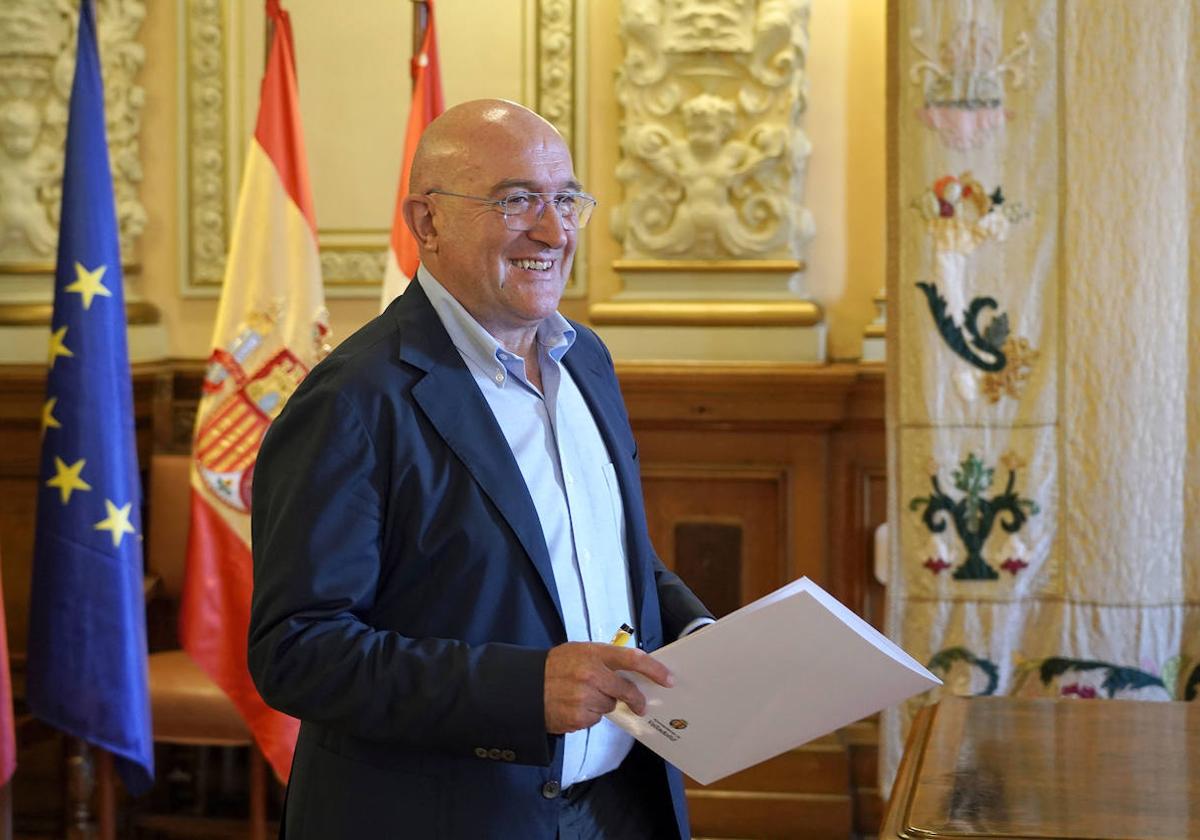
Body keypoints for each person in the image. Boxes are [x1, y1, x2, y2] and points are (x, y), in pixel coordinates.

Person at [248, 99, 713, 839]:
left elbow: (602, 552)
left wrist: (698, 636)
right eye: (516, 200)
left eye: (565, 200)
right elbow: (297, 650)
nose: (554, 231)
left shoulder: (585, 359)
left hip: (622, 809)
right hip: (449, 817)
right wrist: (523, 691)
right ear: (427, 222)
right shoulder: (354, 399)